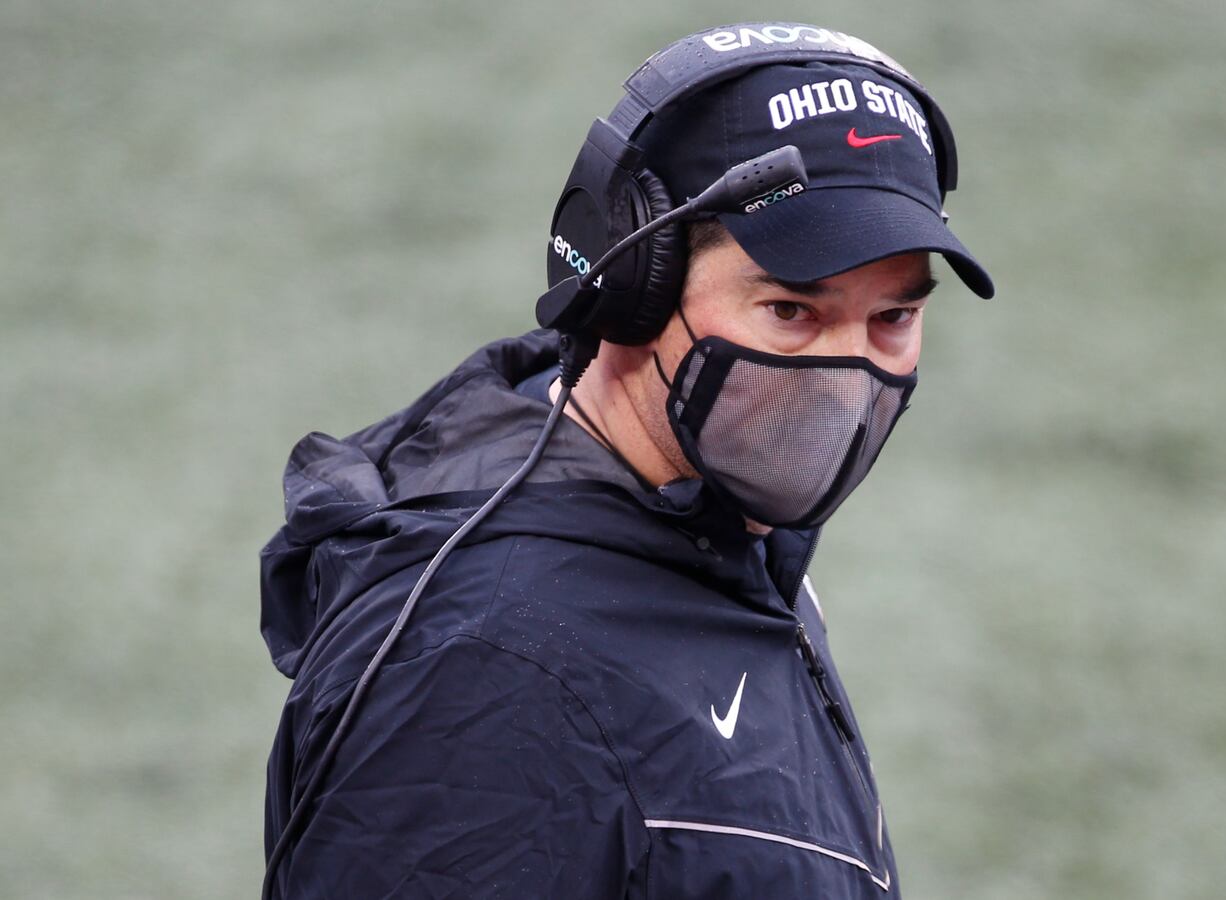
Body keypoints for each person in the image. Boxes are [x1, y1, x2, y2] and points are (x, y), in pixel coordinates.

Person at [259, 22, 994, 899]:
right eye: (792, 312)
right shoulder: (487, 674)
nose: (848, 380)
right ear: (632, 285)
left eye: (894, 319)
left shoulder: (729, 538)